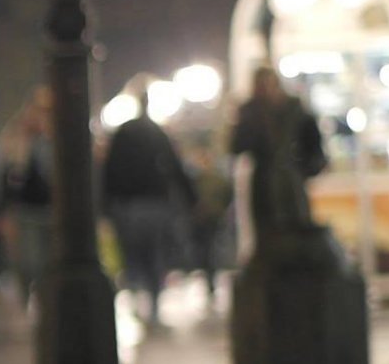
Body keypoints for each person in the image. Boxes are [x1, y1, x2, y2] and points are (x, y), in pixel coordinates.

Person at [102, 91, 193, 327]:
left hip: (131, 203)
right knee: (153, 253)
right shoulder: (156, 133)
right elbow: (174, 166)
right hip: (152, 201)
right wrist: (191, 197)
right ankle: (151, 300)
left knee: (134, 254)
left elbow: (109, 170)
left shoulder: (124, 133)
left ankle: (138, 297)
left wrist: (107, 203)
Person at [230, 66, 325, 237]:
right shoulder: (251, 112)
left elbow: (314, 145)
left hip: (290, 182)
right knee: (268, 235)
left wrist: (304, 169)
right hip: (265, 185)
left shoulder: (294, 110)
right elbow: (237, 146)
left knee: (296, 232)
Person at [0, 86, 53, 312]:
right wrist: (2, 211)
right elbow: (4, 177)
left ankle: (45, 303)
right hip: (24, 209)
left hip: (50, 209)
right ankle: (26, 300)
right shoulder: (15, 138)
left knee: (48, 261)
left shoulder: (54, 138)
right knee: (27, 261)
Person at [186, 143, 232, 305]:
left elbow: (227, 196)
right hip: (204, 219)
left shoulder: (210, 179)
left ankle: (210, 279)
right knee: (206, 250)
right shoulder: (197, 180)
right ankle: (209, 278)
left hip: (211, 219)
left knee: (209, 250)